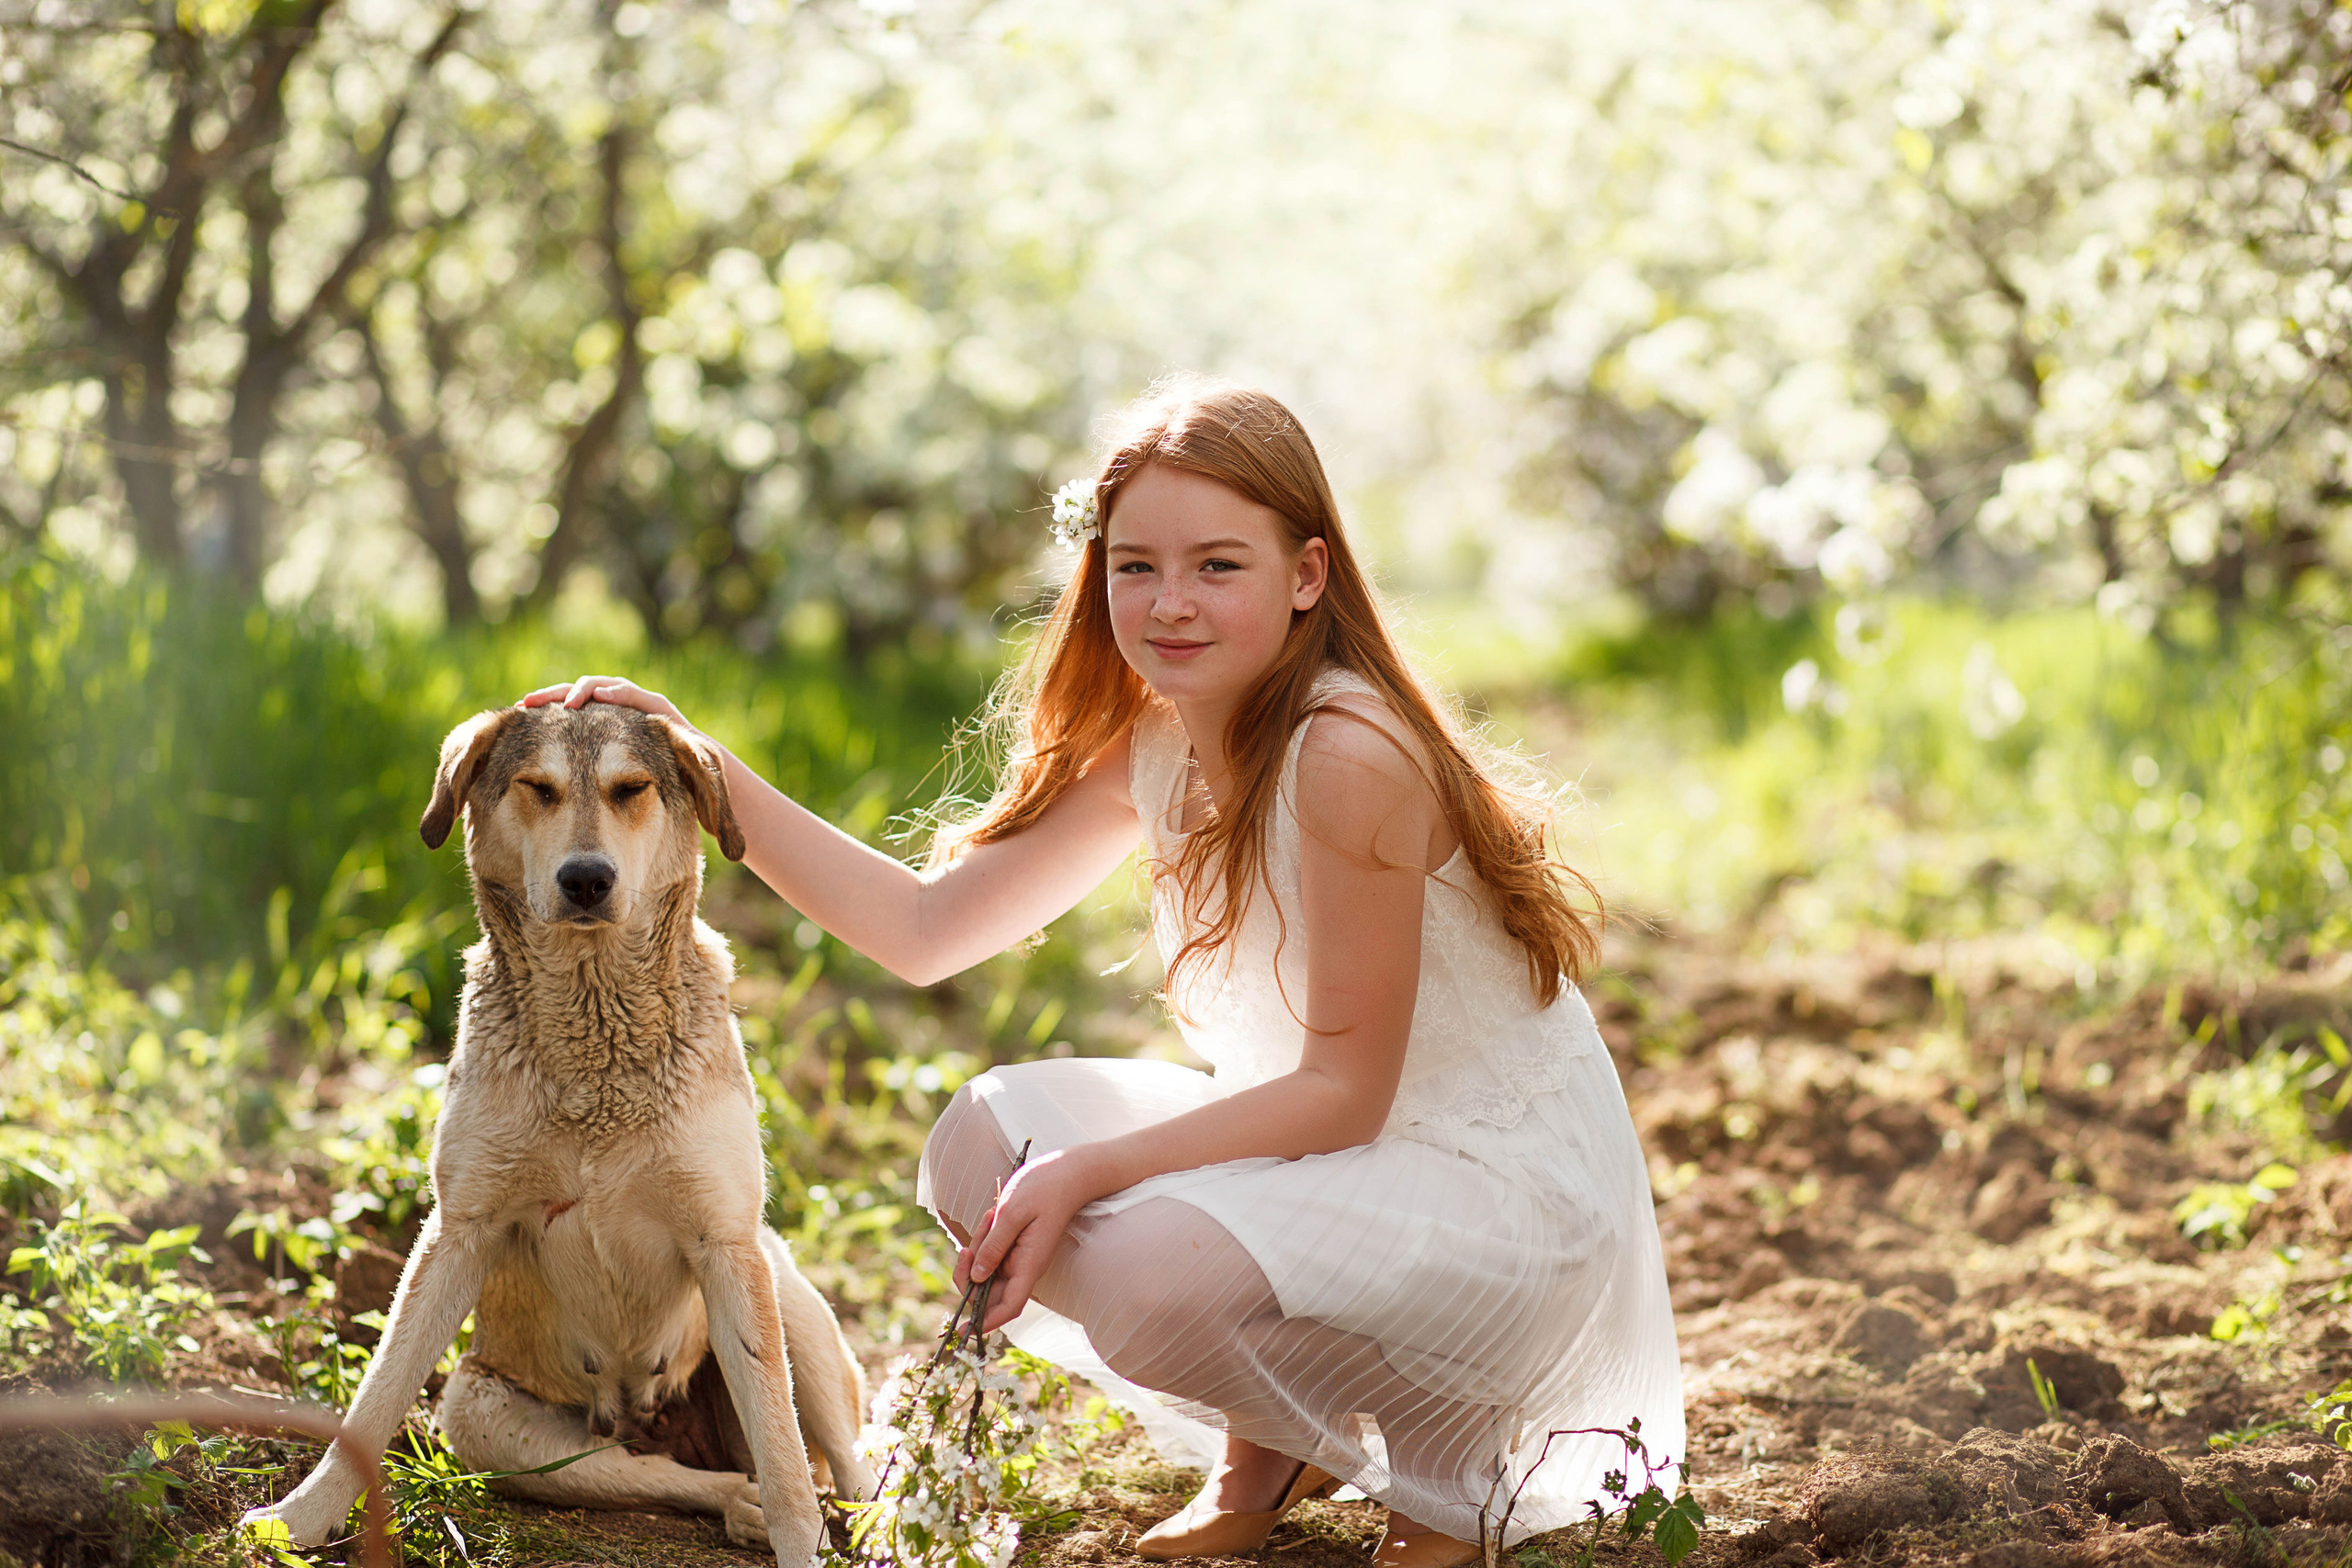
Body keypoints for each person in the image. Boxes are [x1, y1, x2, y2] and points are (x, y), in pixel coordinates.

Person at [524, 376, 1683, 1568]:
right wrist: (701, 764)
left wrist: (1092, 1169)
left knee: (1140, 1276)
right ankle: (1279, 1442)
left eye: (1218, 566)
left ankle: (1451, 1455)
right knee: (980, 1143)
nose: (1169, 603)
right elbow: (926, 931)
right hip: (1341, 1158)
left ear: (1307, 575)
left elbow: (1349, 1093)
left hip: (1489, 1193)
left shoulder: (1347, 752)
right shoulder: (1163, 738)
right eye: (1136, 566)